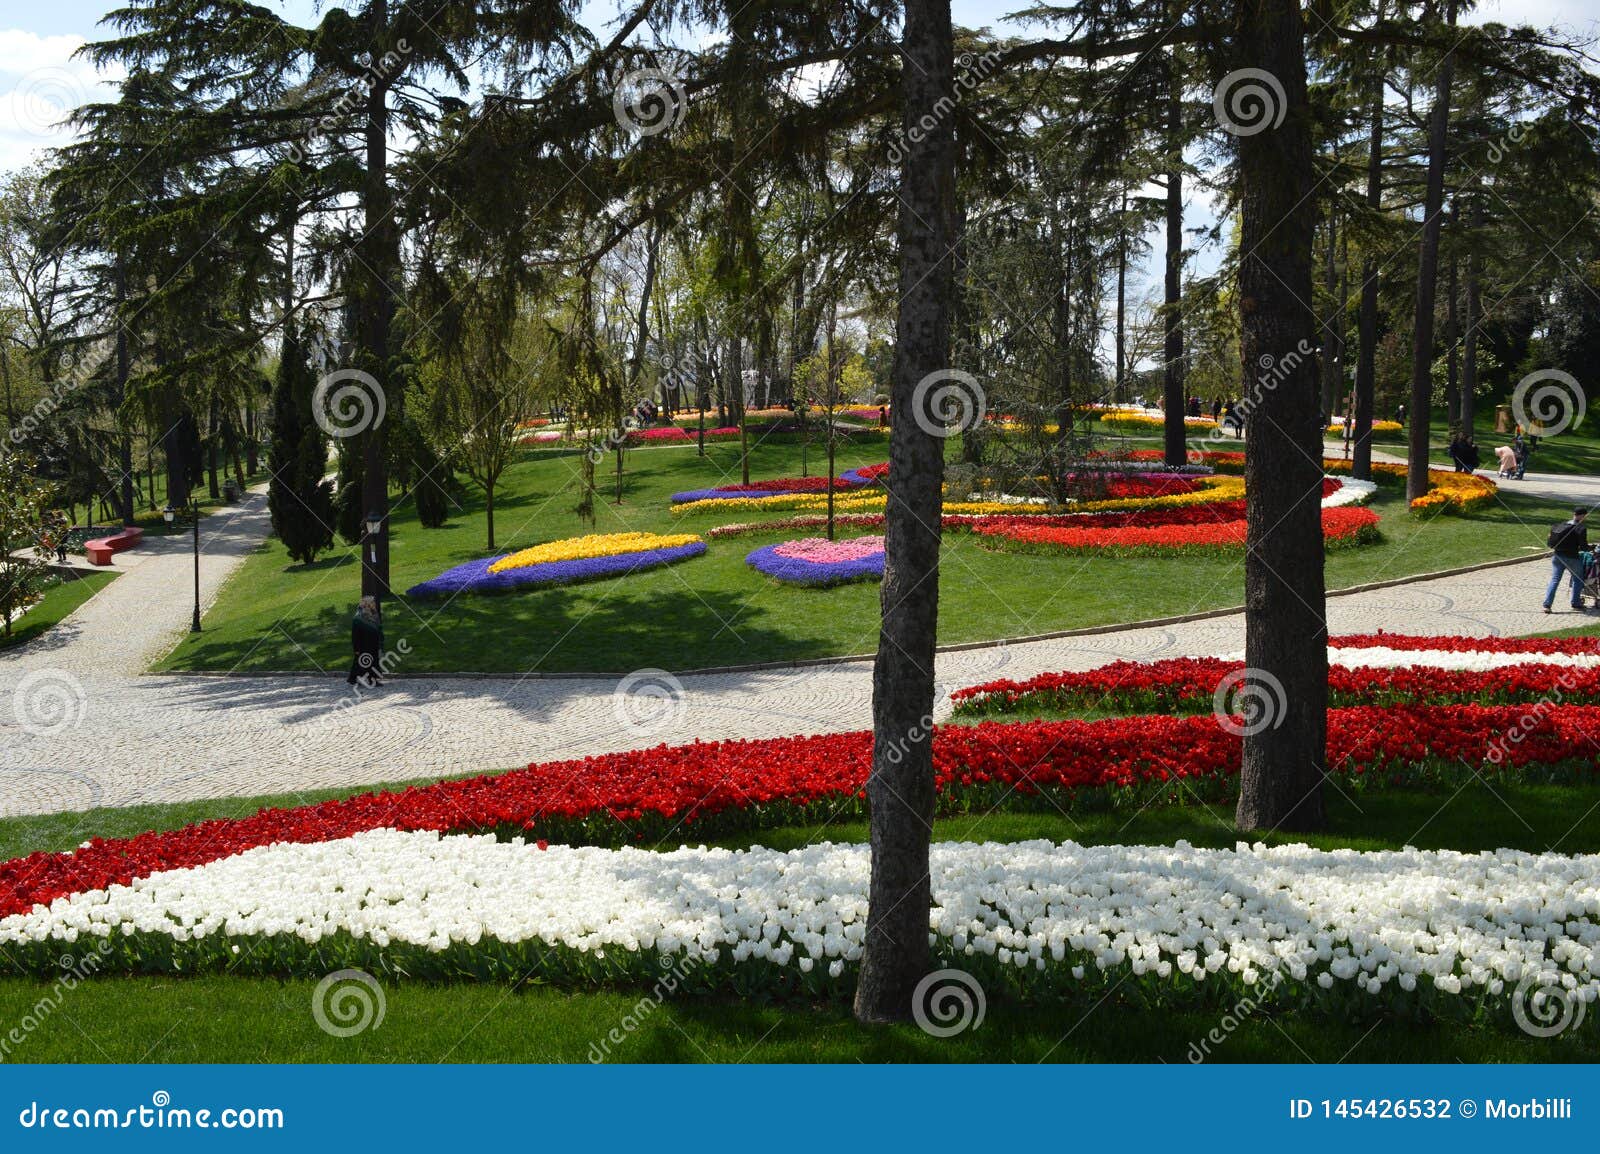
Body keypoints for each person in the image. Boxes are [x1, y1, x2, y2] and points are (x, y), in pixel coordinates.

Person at [1546, 508, 1591, 613]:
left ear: (1573, 514)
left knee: (1555, 580)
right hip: (1572, 558)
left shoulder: (1560, 525)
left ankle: (1547, 605)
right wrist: (1589, 548)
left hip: (1557, 556)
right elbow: (1584, 547)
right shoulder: (1580, 528)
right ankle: (1576, 603)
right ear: (1582, 516)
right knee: (1578, 579)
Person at [348, 595, 385, 687]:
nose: (374, 604)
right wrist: (356, 648)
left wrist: (381, 641)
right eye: (372, 603)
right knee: (363, 663)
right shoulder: (358, 618)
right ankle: (368, 679)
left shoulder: (374, 614)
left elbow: (378, 629)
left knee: (372, 662)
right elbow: (355, 635)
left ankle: (358, 679)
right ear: (368, 604)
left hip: (373, 644)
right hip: (364, 645)